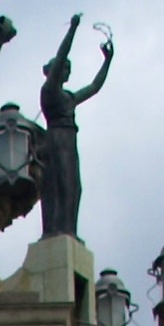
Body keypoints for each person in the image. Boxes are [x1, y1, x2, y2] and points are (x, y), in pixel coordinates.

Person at [36, 14, 113, 239]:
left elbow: (94, 87)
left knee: (74, 187)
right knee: (59, 185)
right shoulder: (49, 91)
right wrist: (73, 29)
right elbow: (62, 54)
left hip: (69, 141)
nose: (68, 70)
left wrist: (107, 61)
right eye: (64, 67)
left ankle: (70, 229)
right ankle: (57, 229)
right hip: (56, 139)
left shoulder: (68, 97)